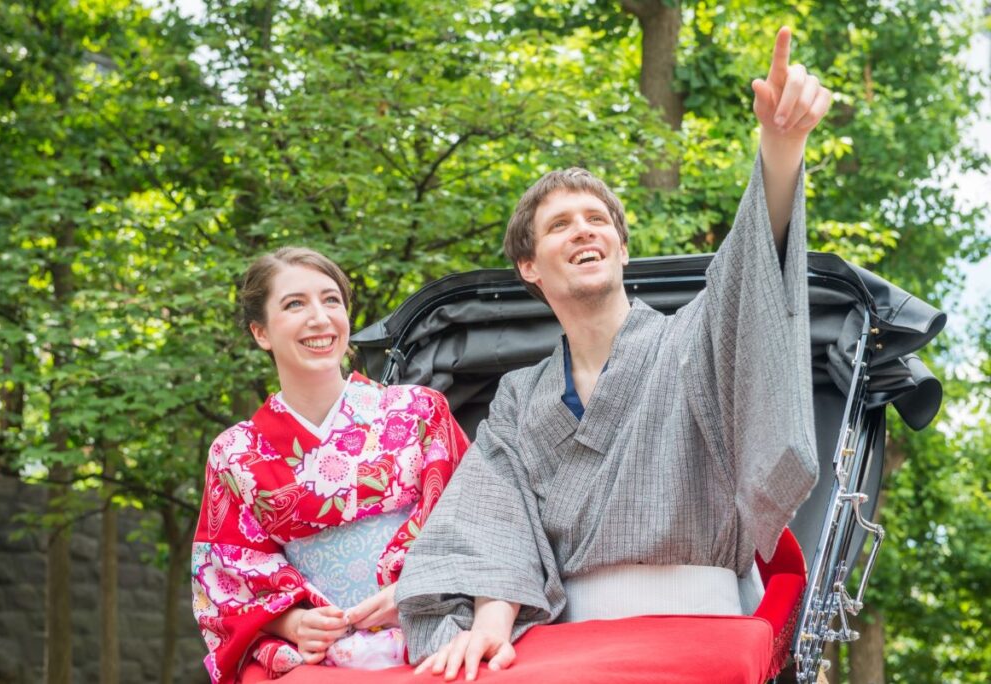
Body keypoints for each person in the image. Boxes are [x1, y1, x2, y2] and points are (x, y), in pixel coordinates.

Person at [396, 27, 828, 681]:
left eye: (598, 219)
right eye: (560, 225)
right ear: (529, 267)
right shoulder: (520, 397)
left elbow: (747, 279)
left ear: (622, 248)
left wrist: (780, 147)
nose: (584, 230)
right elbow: (492, 515)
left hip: (705, 638)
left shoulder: (691, 341)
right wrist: (489, 620)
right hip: (569, 651)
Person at [191, 247, 469, 684]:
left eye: (331, 300)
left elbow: (476, 523)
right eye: (295, 304)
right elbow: (225, 579)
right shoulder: (236, 452)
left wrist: (414, 589)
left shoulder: (419, 412)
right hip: (317, 656)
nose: (319, 318)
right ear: (261, 332)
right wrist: (290, 623)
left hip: (430, 630)